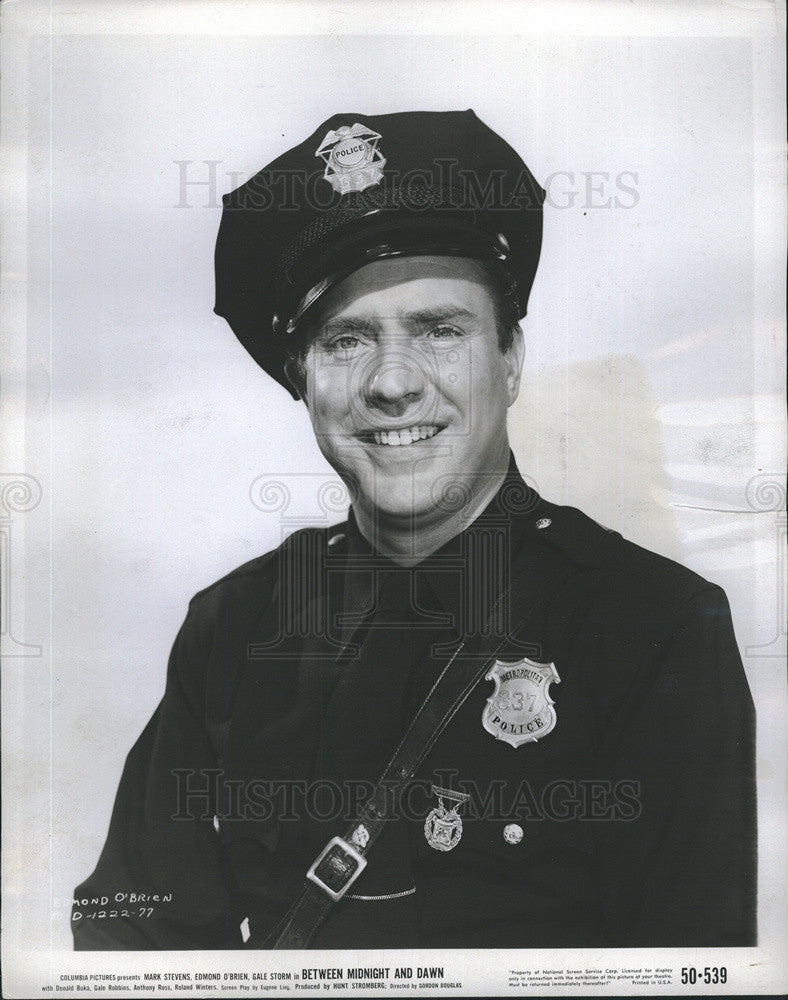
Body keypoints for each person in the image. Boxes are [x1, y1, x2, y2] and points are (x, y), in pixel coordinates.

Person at [72, 110, 756, 950]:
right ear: (304, 380)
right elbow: (132, 939)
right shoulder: (234, 626)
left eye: (439, 330)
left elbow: (693, 970)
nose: (392, 384)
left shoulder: (653, 626)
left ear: (510, 360)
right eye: (345, 339)